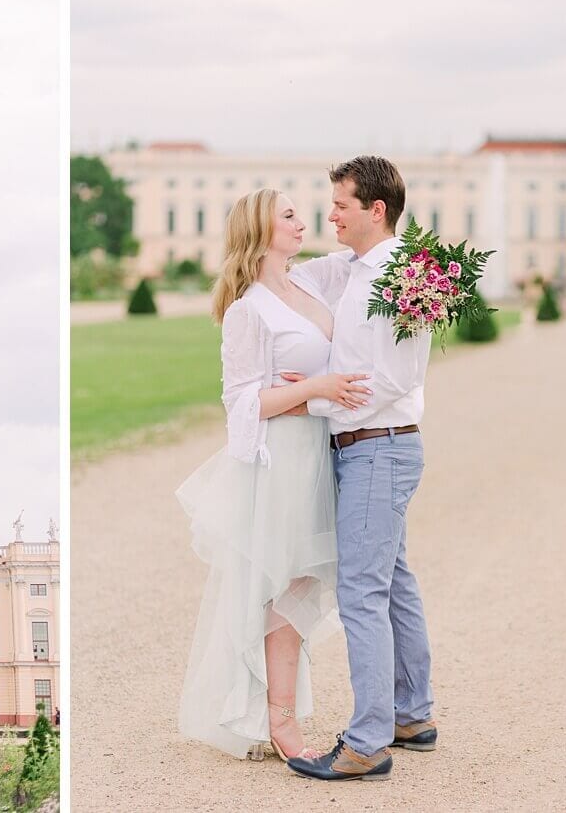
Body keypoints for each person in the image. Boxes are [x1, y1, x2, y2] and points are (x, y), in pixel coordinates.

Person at [176, 187, 371, 763]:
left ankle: (279, 708)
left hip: (317, 446)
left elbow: (367, 259)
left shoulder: (308, 283)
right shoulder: (248, 309)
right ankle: (279, 717)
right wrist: (313, 388)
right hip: (282, 456)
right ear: (261, 229)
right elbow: (238, 402)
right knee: (283, 583)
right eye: (288, 214)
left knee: (304, 583)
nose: (302, 220)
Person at [285, 156, 436, 782]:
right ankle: (410, 713)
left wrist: (312, 397)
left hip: (379, 444)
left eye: (341, 204)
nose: (330, 215)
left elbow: (396, 377)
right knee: (392, 580)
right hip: (368, 446)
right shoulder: (348, 269)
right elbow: (277, 274)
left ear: (376, 210)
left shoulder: (405, 275)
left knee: (362, 592)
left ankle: (368, 740)